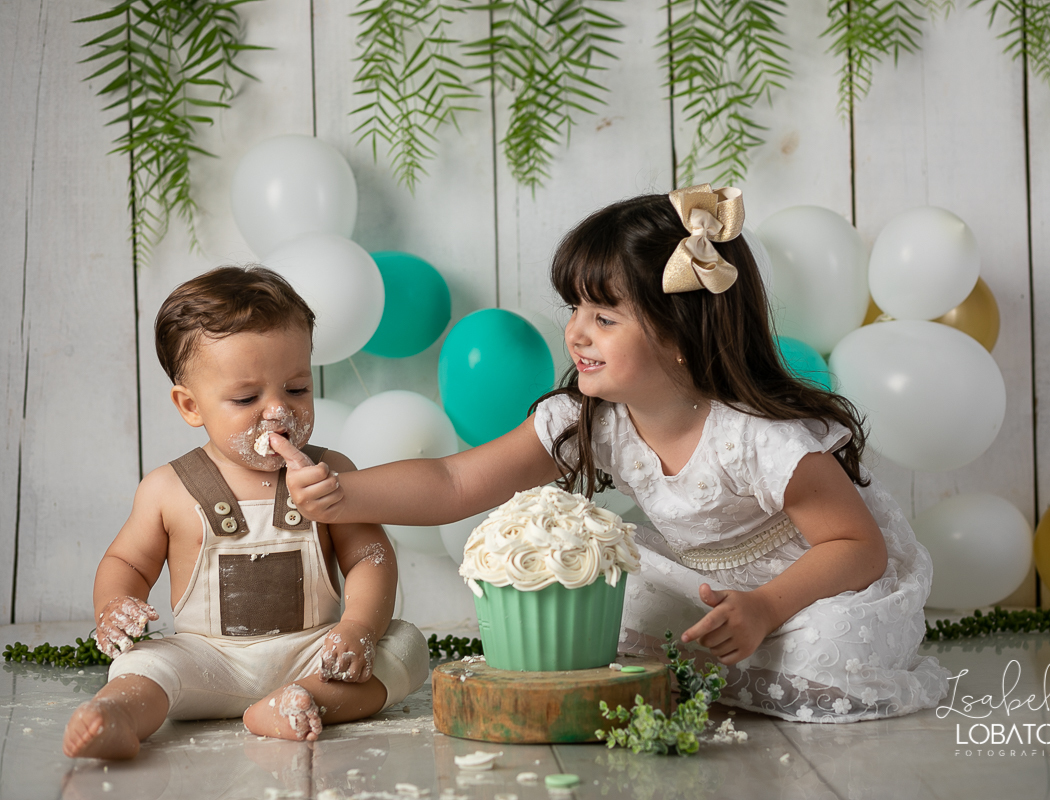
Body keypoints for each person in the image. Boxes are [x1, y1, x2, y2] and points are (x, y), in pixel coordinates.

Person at [278, 185, 949, 722]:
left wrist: (768, 607)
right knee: (609, 608)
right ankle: (718, 655)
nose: (575, 332)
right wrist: (348, 493)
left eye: (604, 317)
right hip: (706, 579)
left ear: (682, 333)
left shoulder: (759, 438)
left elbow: (857, 548)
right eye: (575, 308)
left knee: (830, 654)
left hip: (814, 582)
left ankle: (759, 654)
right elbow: (456, 480)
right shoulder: (590, 418)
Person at [62, 266, 428, 760]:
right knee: (142, 666)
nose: (278, 411)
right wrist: (115, 605)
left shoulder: (330, 472)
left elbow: (369, 557)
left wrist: (357, 628)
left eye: (297, 389)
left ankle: (300, 701)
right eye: (246, 398)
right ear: (190, 405)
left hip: (312, 654)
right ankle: (120, 715)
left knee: (405, 645)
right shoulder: (167, 489)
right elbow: (127, 563)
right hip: (206, 662)